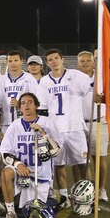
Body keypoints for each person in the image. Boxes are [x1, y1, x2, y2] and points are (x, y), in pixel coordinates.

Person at [37, 49, 94, 203]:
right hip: (56, 129)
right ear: (47, 63)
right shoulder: (44, 81)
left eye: (56, 58)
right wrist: (43, 130)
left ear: (62, 59)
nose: (54, 61)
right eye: (50, 59)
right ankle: (64, 196)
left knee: (83, 163)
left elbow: (93, 84)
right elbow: (42, 108)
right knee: (58, 164)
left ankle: (88, 197)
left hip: (75, 127)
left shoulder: (75, 75)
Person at [0, 93, 60, 218]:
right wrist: (18, 164)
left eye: (30, 102)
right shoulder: (15, 125)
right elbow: (4, 152)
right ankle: (10, 213)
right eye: (23, 103)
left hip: (40, 175)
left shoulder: (46, 122)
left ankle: (48, 195)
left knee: (37, 215)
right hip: (21, 171)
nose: (26, 105)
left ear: (36, 105)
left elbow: (57, 151)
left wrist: (43, 133)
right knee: (6, 173)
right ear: (20, 107)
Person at [77, 50, 108, 201]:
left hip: (98, 121)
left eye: (88, 60)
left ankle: (102, 189)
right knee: (82, 159)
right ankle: (87, 189)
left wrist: (103, 99)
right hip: (80, 123)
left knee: (100, 158)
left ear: (93, 62)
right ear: (78, 64)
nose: (85, 63)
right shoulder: (74, 78)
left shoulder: (102, 77)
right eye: (82, 61)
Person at [0, 51, 39, 136]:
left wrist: (20, 104)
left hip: (26, 122)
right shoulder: (1, 81)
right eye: (10, 61)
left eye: (16, 60)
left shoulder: (29, 79)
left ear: (21, 61)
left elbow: (36, 103)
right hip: (6, 124)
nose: (13, 63)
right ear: (7, 62)